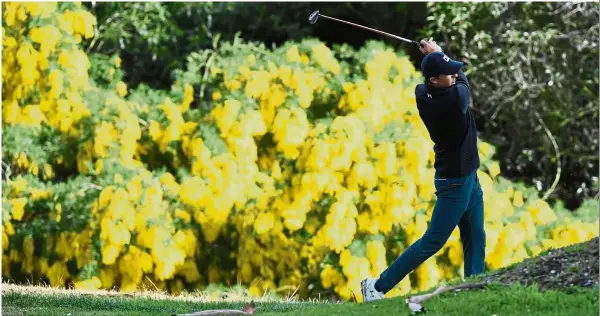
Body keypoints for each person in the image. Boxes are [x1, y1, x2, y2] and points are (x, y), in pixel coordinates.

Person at [360, 39, 486, 302]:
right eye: (447, 73)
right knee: (433, 241)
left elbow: (449, 76)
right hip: (455, 181)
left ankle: (475, 286)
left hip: (467, 175)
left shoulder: (423, 92)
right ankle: (378, 286)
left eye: (452, 70)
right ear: (434, 81)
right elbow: (464, 84)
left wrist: (438, 60)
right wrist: (438, 52)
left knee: (475, 233)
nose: (453, 74)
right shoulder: (454, 100)